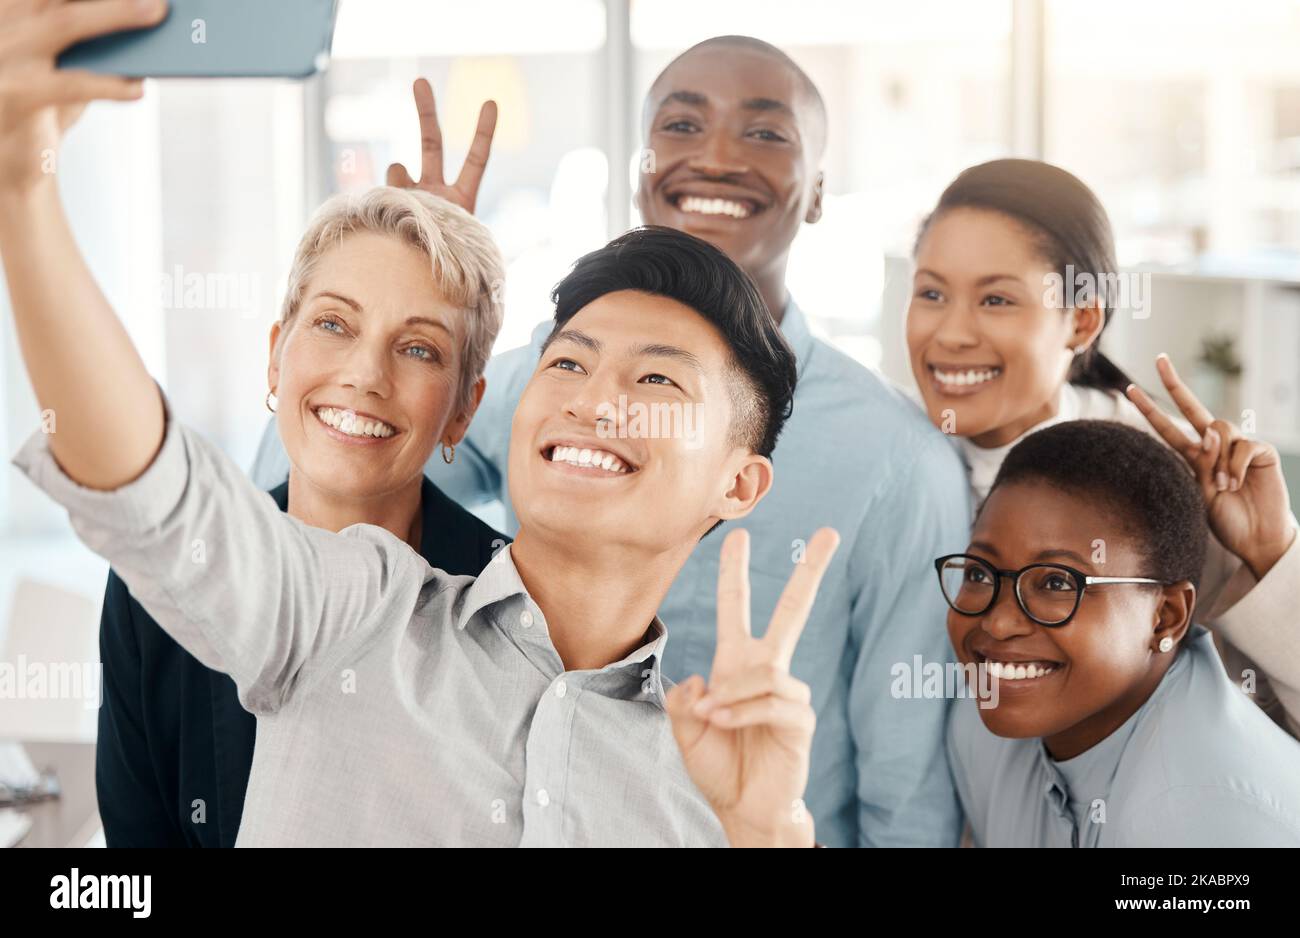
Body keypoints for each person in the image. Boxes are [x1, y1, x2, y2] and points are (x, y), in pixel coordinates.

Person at [2, 2, 841, 846]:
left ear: (740, 481)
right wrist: (22, 188)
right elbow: (159, 495)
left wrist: (760, 833)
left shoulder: (702, 777)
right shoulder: (361, 610)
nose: (594, 400)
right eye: (568, 361)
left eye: (655, 376)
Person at [252, 35, 971, 848]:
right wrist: (417, 282)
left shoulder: (899, 460)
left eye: (766, 133)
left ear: (816, 192)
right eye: (680, 125)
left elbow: (906, 801)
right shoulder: (540, 384)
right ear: (639, 172)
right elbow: (317, 473)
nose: (717, 158)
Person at [97, 185, 509, 846]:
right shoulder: (164, 581)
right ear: (275, 355)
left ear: (463, 408)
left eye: (419, 349)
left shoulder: (516, 612)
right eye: (334, 324)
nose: (365, 374)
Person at [906, 158, 1300, 736]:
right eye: (932, 292)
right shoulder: (892, 453)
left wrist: (1272, 551)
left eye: (996, 301)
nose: (951, 333)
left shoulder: (1161, 481)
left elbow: (1272, 732)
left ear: (1082, 319)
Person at [942, 420, 1300, 847]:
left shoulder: (1201, 813)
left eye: (1057, 583)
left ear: (1164, 617)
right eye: (980, 573)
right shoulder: (980, 724)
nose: (998, 622)